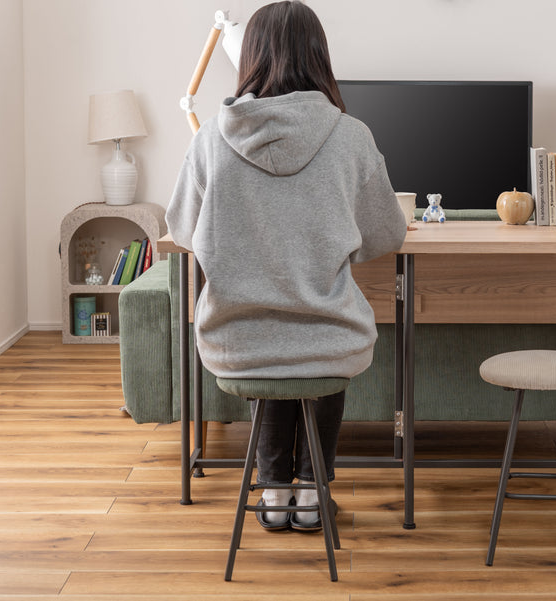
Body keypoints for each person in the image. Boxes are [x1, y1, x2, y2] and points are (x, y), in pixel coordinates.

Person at [165, 0, 407, 531]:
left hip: (235, 342)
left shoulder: (209, 139)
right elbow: (386, 234)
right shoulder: (351, 136)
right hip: (331, 337)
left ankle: (273, 493)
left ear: (249, 56)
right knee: (316, 342)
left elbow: (181, 230)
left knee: (268, 343)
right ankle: (314, 494)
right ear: (319, 56)